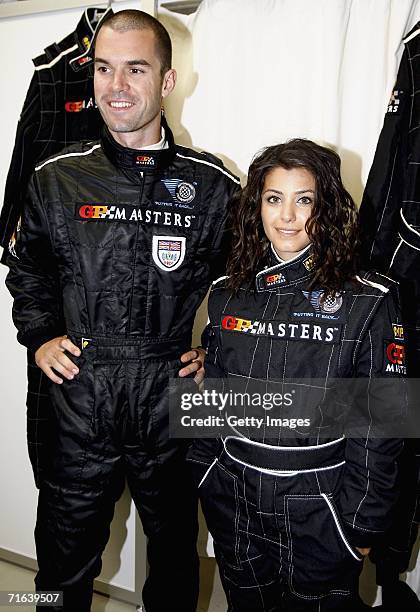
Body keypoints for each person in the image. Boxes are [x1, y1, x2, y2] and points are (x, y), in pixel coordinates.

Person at [5, 9, 239, 612]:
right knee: (61, 562)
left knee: (173, 560)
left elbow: (251, 283)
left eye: (136, 69)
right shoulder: (57, 178)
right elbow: (28, 268)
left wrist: (218, 349)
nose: (116, 86)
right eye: (104, 69)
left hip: (168, 393)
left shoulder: (212, 185)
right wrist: (40, 335)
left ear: (167, 81)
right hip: (81, 392)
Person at [188, 139, 405, 611]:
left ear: (325, 207)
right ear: (256, 206)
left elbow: (384, 424)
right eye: (273, 199)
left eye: (303, 199)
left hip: (321, 511)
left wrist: (360, 528)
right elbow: (212, 396)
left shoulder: (368, 300)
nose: (286, 216)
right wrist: (204, 472)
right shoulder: (228, 292)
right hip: (236, 501)